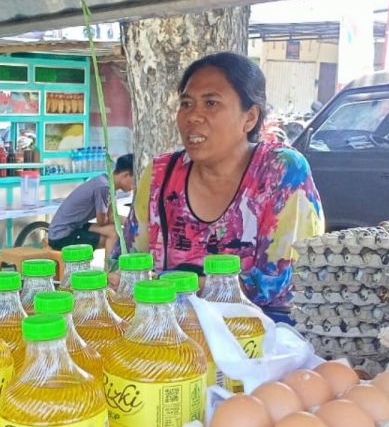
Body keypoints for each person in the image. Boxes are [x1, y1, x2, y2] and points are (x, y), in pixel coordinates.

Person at [129, 52, 324, 317]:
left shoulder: (280, 171)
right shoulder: (161, 175)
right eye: (186, 103)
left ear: (250, 118)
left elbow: (281, 285)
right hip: (169, 334)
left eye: (211, 103)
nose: (193, 116)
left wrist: (176, 286)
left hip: (263, 338)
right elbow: (127, 260)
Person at [47, 153, 134, 252]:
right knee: (113, 235)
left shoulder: (106, 182)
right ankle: (111, 267)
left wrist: (131, 222)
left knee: (114, 231)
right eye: (135, 180)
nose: (135, 185)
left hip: (74, 227)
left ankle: (110, 266)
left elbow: (111, 217)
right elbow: (102, 221)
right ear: (126, 175)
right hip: (62, 236)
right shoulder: (104, 188)